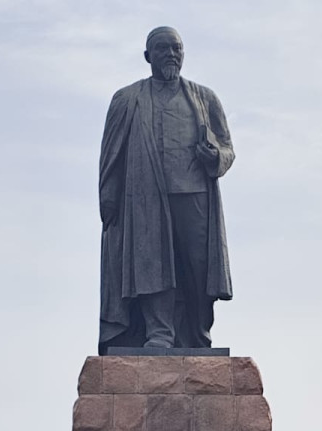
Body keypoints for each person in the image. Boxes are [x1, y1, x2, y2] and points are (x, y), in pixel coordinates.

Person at [98, 26, 234, 354]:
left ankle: (196, 335)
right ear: (148, 56)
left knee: (198, 268)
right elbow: (111, 154)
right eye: (162, 49)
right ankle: (158, 333)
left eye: (176, 48)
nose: (171, 55)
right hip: (144, 197)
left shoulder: (204, 98)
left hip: (194, 196)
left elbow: (227, 148)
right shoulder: (128, 99)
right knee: (151, 264)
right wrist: (109, 197)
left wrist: (215, 156)